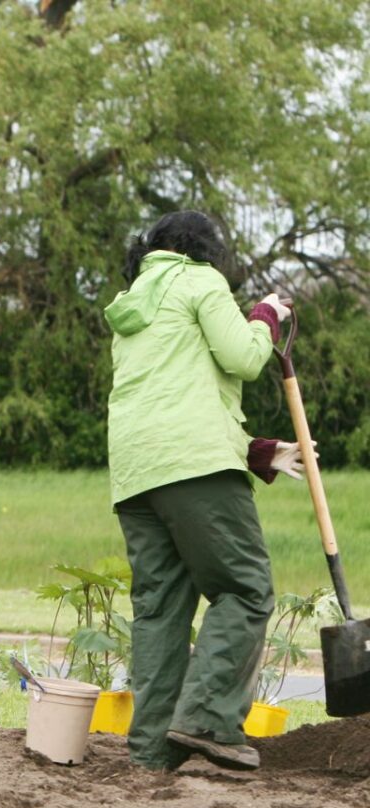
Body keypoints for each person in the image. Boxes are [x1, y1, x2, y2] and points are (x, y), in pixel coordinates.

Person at [104, 210, 305, 771]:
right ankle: (207, 721)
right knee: (244, 589)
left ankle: (151, 754)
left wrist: (258, 451)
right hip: (195, 471)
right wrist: (264, 314)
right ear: (204, 249)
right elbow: (243, 358)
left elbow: (173, 400)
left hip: (136, 475)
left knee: (160, 610)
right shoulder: (200, 280)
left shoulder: (135, 306)